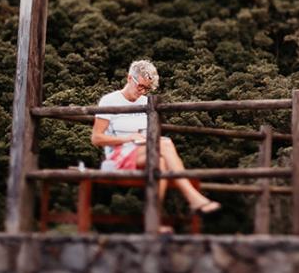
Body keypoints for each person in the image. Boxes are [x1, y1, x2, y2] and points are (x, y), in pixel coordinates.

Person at [91, 60, 219, 220]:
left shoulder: (147, 102)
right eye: (140, 86)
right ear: (129, 78)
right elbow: (96, 138)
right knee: (165, 144)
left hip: (143, 150)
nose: (142, 91)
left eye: (147, 88)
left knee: (161, 162)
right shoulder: (110, 101)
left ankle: (153, 219)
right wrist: (127, 138)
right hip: (117, 157)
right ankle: (192, 197)